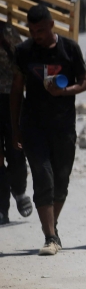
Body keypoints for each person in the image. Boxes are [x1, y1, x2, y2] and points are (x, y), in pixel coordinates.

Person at [11, 4, 86, 256]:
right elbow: (16, 91)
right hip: (33, 126)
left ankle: (52, 228)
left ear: (51, 26)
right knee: (43, 177)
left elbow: (85, 81)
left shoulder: (69, 49)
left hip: (63, 126)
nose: (38, 36)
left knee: (61, 182)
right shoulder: (23, 52)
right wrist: (15, 129)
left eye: (42, 30)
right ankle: (50, 236)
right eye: (33, 31)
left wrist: (64, 91)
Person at [0, 17, 31, 225]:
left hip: (11, 99)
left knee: (16, 151)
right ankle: (2, 208)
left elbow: (24, 59)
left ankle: (19, 191)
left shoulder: (7, 31)